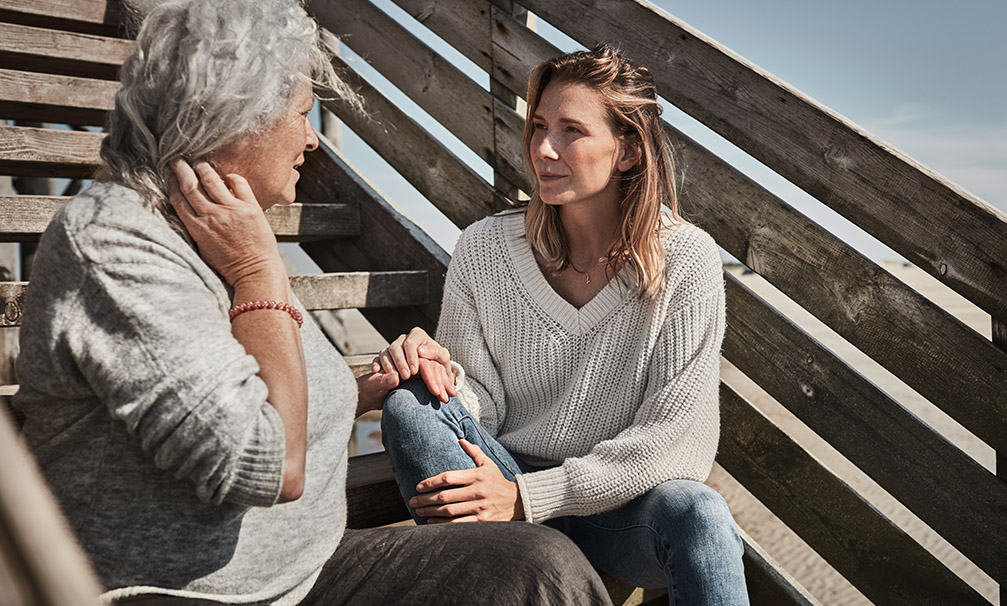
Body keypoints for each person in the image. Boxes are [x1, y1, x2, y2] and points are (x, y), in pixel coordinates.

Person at [13, 1, 612, 604]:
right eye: (301, 114)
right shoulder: (117, 245)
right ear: (232, 117)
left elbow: (258, 392)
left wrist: (369, 390)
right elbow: (267, 464)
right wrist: (259, 276)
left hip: (307, 574)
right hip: (185, 595)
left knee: (541, 567)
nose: (310, 139)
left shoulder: (218, 232)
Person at [378, 46, 751, 605]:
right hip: (500, 481)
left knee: (700, 512)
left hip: (618, 511)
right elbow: (480, 399)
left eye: (572, 130)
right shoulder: (484, 249)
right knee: (411, 405)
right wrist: (439, 375)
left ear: (627, 152)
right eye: (538, 126)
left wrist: (529, 496)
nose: (544, 149)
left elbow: (676, 444)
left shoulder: (686, 260)